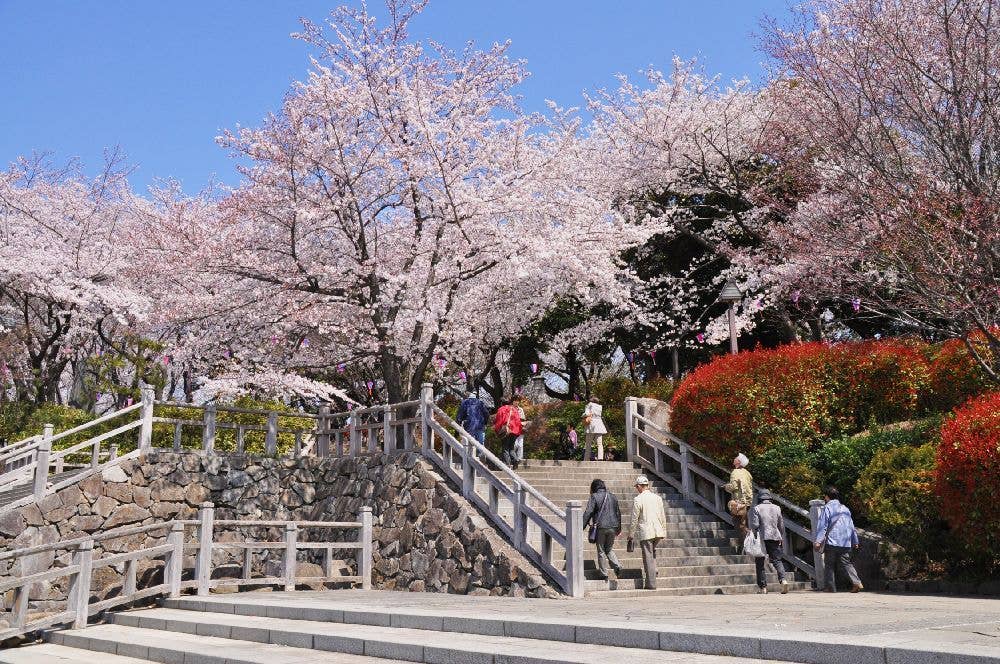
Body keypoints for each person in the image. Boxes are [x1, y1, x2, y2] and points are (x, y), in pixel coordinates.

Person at [813, 486, 863, 593]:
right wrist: (855, 541)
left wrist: (818, 541)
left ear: (826, 497)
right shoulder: (845, 508)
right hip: (845, 542)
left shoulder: (827, 508)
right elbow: (851, 526)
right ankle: (856, 582)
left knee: (829, 564)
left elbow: (823, 526)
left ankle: (830, 587)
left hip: (832, 540)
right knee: (847, 563)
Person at [627, 475, 667, 590]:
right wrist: (664, 530)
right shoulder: (657, 498)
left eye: (637, 487)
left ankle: (651, 583)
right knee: (652, 552)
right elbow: (662, 515)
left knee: (648, 556)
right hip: (658, 531)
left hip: (647, 532)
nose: (637, 489)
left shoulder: (638, 499)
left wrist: (631, 534)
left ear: (639, 486)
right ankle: (655, 569)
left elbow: (634, 519)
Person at [748, 489, 789, 594]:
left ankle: (763, 587)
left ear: (760, 498)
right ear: (769, 497)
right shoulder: (777, 508)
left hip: (762, 537)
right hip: (775, 536)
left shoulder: (757, 508)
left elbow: (755, 525)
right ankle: (783, 580)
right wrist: (780, 536)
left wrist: (753, 531)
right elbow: (781, 525)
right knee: (777, 560)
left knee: (760, 562)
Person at [581, 479, 623, 580]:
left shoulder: (594, 496)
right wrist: (619, 528)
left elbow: (588, 512)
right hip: (613, 526)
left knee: (601, 550)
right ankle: (617, 565)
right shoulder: (613, 496)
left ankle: (604, 573)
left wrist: (581, 526)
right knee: (609, 549)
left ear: (594, 487)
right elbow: (618, 513)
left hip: (600, 527)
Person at [724, 453, 753, 535]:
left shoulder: (735, 472)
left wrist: (726, 487)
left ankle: (745, 545)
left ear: (738, 462)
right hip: (747, 503)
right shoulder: (747, 473)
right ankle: (748, 543)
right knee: (744, 523)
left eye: (736, 458)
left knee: (740, 526)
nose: (734, 459)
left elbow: (734, 487)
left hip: (739, 503)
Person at [493, 398, 522, 470]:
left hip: (506, 431)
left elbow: (499, 421)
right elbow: (518, 421)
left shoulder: (501, 409)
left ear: (501, 403)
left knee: (505, 448)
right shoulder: (515, 410)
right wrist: (518, 432)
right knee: (511, 448)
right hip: (514, 431)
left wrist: (497, 430)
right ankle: (515, 460)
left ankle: (507, 464)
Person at [582, 396, 607, 461]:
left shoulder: (589, 405)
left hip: (591, 425)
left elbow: (586, 413)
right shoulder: (600, 406)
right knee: (599, 444)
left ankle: (586, 459)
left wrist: (583, 415)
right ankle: (600, 457)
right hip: (599, 425)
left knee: (588, 444)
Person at [513, 397, 528, 465]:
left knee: (520, 445)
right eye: (515, 401)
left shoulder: (521, 409)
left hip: (520, 428)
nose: (516, 402)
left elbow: (523, 418)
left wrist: (522, 421)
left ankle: (519, 458)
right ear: (513, 402)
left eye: (517, 401)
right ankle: (514, 457)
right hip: (513, 429)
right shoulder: (511, 409)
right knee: (515, 445)